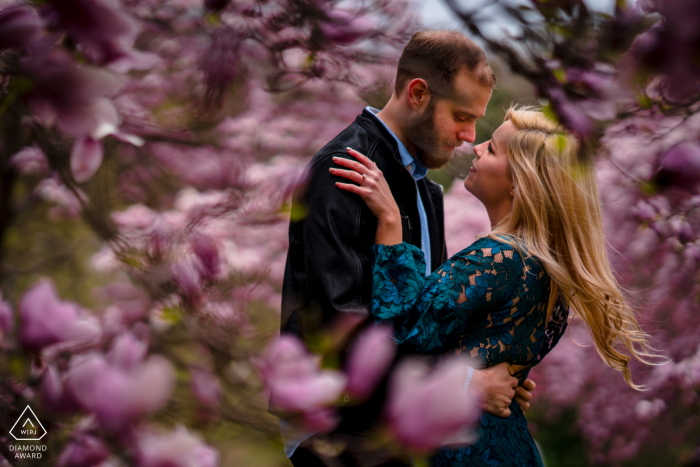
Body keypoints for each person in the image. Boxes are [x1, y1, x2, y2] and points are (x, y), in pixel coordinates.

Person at [280, 30, 560, 466]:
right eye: (461, 116)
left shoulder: (425, 191)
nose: (469, 136)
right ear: (417, 94)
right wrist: (467, 383)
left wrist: (497, 366)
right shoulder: (346, 169)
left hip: (397, 424)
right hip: (341, 428)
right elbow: (345, 329)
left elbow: (425, 326)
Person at [332, 106, 654, 466]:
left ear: (519, 183)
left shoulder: (497, 258)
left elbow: (397, 336)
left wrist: (391, 224)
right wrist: (478, 380)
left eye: (493, 149)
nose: (476, 146)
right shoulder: (546, 270)